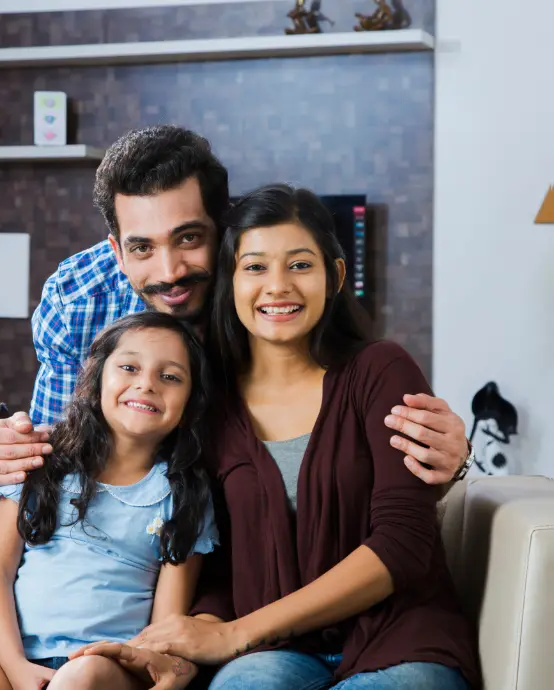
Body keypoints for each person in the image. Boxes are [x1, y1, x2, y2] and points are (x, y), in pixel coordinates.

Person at [75, 186, 481, 689]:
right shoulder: (204, 398)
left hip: (399, 639)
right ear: (230, 282)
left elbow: (403, 543)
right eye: (255, 267)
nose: (278, 286)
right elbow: (214, 557)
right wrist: (191, 639)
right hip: (273, 653)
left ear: (334, 276)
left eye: (300, 265)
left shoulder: (381, 371)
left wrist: (234, 634)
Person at [0, 126, 473, 493]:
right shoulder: (77, 300)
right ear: (116, 250)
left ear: (226, 224)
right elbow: (57, 451)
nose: (170, 271)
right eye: (142, 247)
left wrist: (452, 456)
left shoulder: (271, 292)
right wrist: (11, 454)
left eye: (189, 238)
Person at [0, 313, 218, 690]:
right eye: (129, 367)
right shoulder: (40, 463)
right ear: (97, 378)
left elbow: (164, 628)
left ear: (190, 403)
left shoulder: (184, 496)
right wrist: (17, 667)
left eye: (170, 376)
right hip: (15, 666)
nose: (147, 384)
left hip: (103, 668)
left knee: (81, 675)